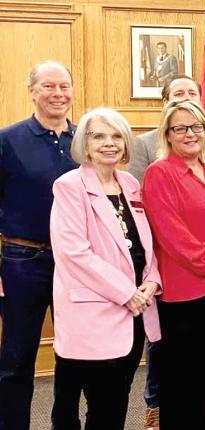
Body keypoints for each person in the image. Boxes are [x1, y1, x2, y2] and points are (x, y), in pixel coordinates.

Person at [128, 74, 205, 429]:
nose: (190, 134)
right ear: (168, 135)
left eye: (196, 127)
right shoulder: (159, 174)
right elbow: (172, 236)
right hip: (183, 289)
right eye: (180, 128)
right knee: (178, 378)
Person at [48, 108, 160, 430]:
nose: (109, 143)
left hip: (134, 312)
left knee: (114, 402)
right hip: (92, 314)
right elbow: (74, 253)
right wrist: (127, 293)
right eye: (98, 136)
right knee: (78, 404)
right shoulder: (69, 186)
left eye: (116, 137)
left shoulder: (130, 184)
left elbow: (143, 243)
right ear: (85, 143)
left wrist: (152, 279)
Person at [0, 61, 79, 430]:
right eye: (49, 86)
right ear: (32, 91)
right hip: (22, 261)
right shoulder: (7, 140)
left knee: (74, 355)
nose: (58, 94)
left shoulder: (86, 140)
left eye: (64, 86)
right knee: (17, 358)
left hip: (76, 263)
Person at [130, 74, 205, 194]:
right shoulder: (144, 144)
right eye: (179, 94)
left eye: (192, 93)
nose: (187, 98)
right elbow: (136, 192)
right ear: (166, 102)